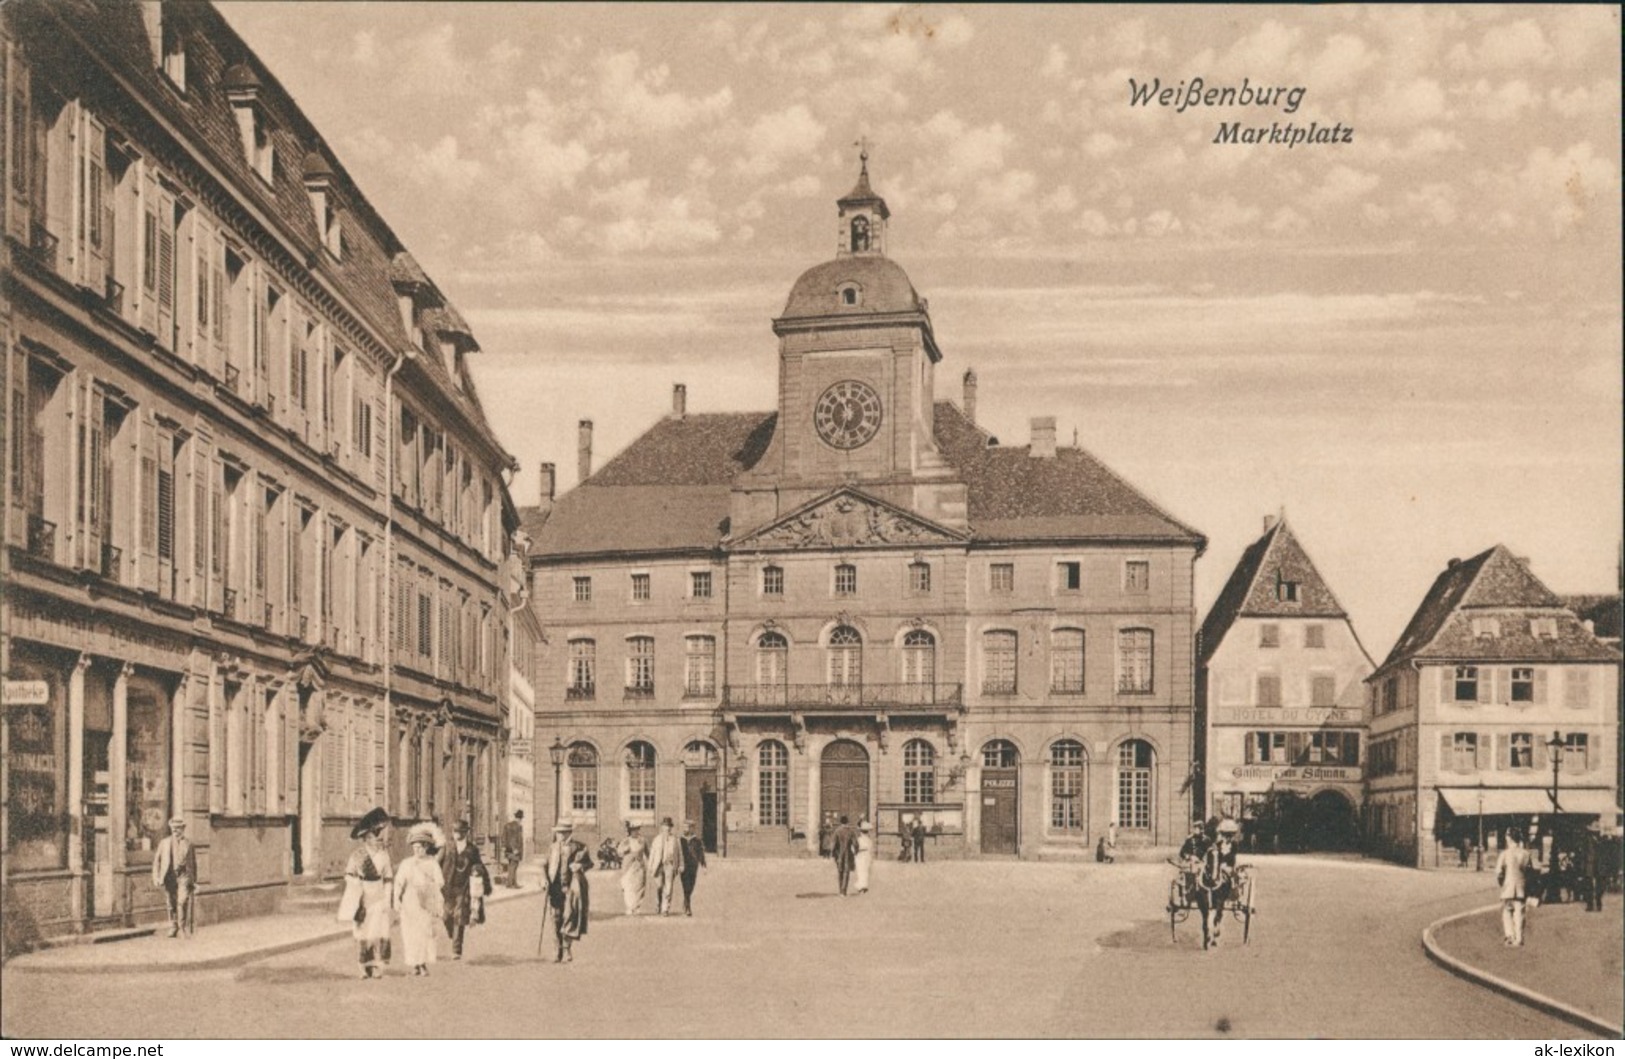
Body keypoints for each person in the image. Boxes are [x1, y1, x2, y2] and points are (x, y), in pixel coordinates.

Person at [338, 807, 394, 979]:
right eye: (368, 837)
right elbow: (348, 875)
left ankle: (377, 966)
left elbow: (388, 878)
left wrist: (387, 898)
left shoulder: (384, 856)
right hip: (362, 897)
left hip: (378, 895)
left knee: (377, 931)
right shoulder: (357, 856)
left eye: (374, 836)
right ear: (364, 839)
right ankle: (363, 966)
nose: (372, 839)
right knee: (363, 932)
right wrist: (356, 883)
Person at [395, 822, 446, 976]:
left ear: (426, 848)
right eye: (415, 848)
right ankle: (414, 964)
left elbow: (440, 881)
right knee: (410, 933)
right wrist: (396, 899)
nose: (417, 851)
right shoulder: (406, 864)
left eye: (421, 847)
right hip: (410, 901)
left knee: (424, 932)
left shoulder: (432, 864)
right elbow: (399, 882)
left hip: (425, 902)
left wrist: (431, 888)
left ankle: (422, 963)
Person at [439, 820, 492, 960]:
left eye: (460, 832)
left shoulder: (472, 850)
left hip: (464, 888)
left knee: (459, 917)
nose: (457, 834)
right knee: (446, 916)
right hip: (448, 888)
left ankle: (457, 950)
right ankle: (452, 934)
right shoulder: (447, 847)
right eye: (455, 832)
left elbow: (479, 866)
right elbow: (437, 865)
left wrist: (479, 875)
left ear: (466, 833)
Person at [543, 821, 592, 962]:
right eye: (558, 832)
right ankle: (556, 950)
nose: (559, 835)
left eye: (562, 832)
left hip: (572, 887)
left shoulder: (579, 847)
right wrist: (544, 879)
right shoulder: (552, 847)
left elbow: (589, 863)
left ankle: (566, 949)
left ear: (569, 833)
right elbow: (545, 865)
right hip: (555, 887)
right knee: (555, 918)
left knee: (569, 917)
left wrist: (580, 866)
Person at [1196, 819, 1239, 951]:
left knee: (1230, 878)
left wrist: (1228, 866)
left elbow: (1233, 858)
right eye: (1225, 834)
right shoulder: (1217, 845)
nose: (1227, 837)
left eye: (1230, 834)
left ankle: (1230, 894)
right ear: (1221, 834)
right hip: (1218, 867)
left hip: (1228, 867)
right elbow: (1212, 857)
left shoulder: (1235, 845)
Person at [151, 816, 197, 938]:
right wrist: (156, 877)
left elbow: (193, 863)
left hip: (183, 876)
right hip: (169, 875)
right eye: (173, 828)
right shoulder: (164, 843)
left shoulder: (189, 844)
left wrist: (194, 881)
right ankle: (173, 926)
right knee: (171, 903)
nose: (175, 830)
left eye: (178, 828)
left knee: (182, 901)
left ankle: (182, 927)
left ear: (183, 829)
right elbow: (157, 861)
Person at [1495, 826, 1537, 946]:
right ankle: (1519, 938)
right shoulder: (1525, 854)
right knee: (1520, 913)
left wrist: (1502, 883)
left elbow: (1499, 872)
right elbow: (1530, 872)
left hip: (1508, 887)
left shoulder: (1504, 854)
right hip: (1521, 888)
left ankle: (1509, 936)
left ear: (1509, 838)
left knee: (1507, 912)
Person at [648, 817, 686, 916]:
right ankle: (658, 904)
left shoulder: (675, 840)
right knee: (659, 886)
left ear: (671, 828)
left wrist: (681, 864)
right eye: (665, 826)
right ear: (662, 827)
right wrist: (650, 866)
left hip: (670, 865)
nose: (667, 828)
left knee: (668, 888)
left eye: (669, 826)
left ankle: (665, 909)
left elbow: (680, 853)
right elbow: (652, 853)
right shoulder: (657, 839)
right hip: (659, 865)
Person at [618, 822, 649, 915]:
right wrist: (625, 849)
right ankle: (630, 907)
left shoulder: (643, 840)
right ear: (630, 831)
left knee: (639, 886)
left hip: (639, 866)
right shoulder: (626, 841)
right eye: (633, 830)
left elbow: (648, 853)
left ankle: (637, 907)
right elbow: (619, 852)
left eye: (637, 830)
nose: (635, 832)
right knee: (628, 886)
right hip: (629, 867)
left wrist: (650, 863)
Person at [679, 820, 707, 916]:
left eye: (687, 827)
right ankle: (688, 906)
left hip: (693, 866)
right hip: (683, 866)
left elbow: (701, 854)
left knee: (691, 885)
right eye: (684, 827)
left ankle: (686, 900)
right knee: (685, 885)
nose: (685, 829)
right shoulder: (680, 840)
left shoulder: (697, 841)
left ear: (692, 828)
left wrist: (704, 865)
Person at [830, 815, 858, 895]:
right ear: (847, 822)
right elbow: (855, 843)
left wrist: (832, 853)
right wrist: (856, 851)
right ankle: (844, 891)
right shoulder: (851, 831)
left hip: (838, 854)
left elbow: (833, 843)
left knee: (840, 871)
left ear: (840, 822)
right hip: (848, 854)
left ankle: (840, 890)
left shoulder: (837, 831)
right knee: (846, 871)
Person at [501, 810, 526, 888]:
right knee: (513, 866)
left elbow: (504, 837)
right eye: (521, 819)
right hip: (515, 850)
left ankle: (514, 883)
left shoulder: (507, 825)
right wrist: (515, 849)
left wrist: (505, 847)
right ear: (520, 818)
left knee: (513, 865)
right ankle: (510, 883)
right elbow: (513, 839)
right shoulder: (517, 826)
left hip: (508, 850)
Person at [854, 820, 875, 894]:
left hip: (860, 856)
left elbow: (854, 849)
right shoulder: (869, 840)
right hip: (867, 856)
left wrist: (855, 852)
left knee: (860, 871)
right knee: (866, 871)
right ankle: (864, 886)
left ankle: (861, 886)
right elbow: (871, 849)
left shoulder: (859, 839)